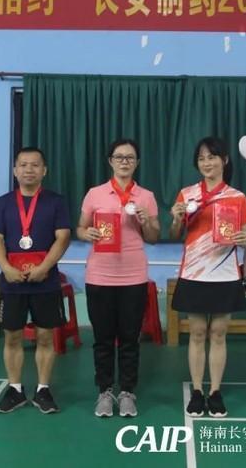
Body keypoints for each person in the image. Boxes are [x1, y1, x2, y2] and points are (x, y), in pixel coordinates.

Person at [77, 139, 160, 418]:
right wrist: (86, 233)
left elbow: (154, 237)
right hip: (99, 276)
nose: (125, 161)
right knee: (102, 339)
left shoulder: (146, 196)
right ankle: (104, 391)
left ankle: (127, 392)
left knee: (129, 339)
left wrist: (146, 221)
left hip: (133, 277)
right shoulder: (95, 194)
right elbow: (80, 228)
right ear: (110, 161)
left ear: (137, 163)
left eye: (130, 157)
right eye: (119, 157)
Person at [170, 137, 246, 418]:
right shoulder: (187, 194)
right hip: (194, 272)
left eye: (212, 157)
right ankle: (197, 391)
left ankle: (215, 391)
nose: (207, 163)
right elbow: (175, 234)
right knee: (196, 332)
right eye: (202, 158)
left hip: (225, 273)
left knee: (218, 333)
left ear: (224, 160)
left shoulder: (237, 197)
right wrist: (176, 218)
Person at [0, 147, 71, 414]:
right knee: (12, 337)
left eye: (35, 165)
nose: (29, 169)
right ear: (15, 171)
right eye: (23, 165)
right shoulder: (3, 203)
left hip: (45, 281)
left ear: (44, 170)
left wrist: (45, 267)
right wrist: (5, 268)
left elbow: (63, 237)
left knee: (45, 336)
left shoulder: (56, 202)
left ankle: (43, 389)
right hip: (12, 282)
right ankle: (15, 389)